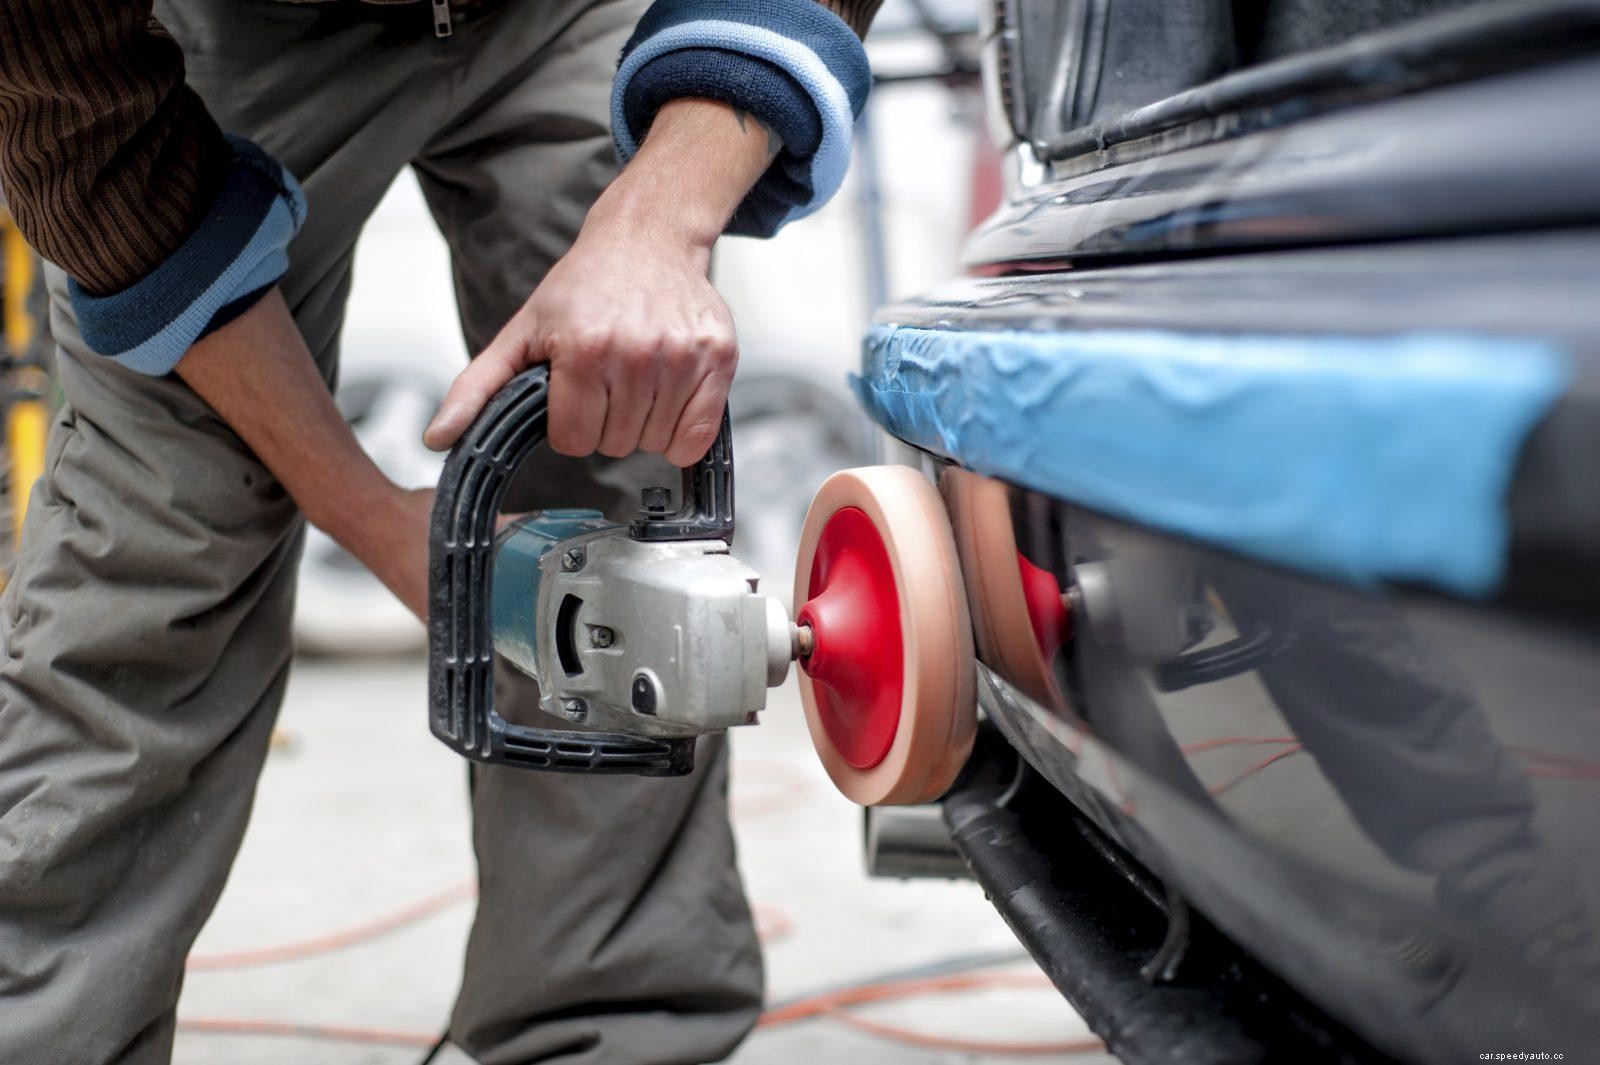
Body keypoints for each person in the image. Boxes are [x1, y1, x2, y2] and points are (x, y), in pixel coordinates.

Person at [0, 0, 880, 1061]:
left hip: (566, 12)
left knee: (615, 495)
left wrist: (658, 221)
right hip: (240, 32)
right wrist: (373, 519)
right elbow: (95, 143)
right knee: (160, 544)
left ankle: (608, 1028)